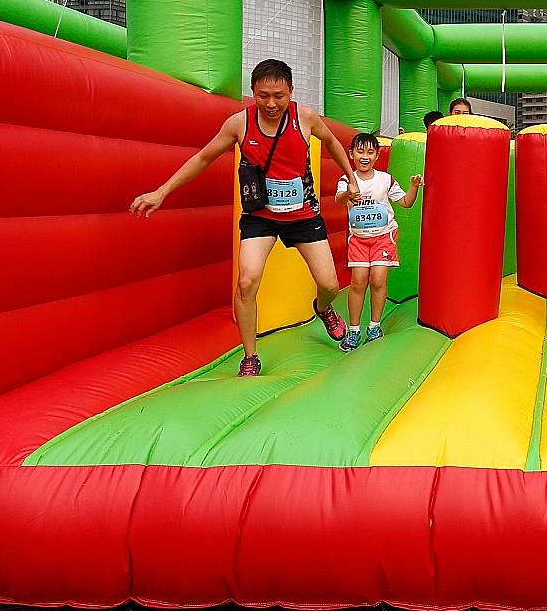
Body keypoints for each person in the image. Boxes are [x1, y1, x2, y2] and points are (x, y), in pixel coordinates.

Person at [131, 59, 359, 377]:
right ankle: (250, 355)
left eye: (278, 95)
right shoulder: (239, 124)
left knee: (329, 284)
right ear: (253, 92)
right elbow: (203, 157)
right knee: (246, 281)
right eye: (263, 95)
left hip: (303, 215)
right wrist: (162, 192)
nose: (271, 103)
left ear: (291, 92)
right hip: (260, 216)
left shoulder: (305, 118)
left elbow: (333, 143)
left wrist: (351, 179)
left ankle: (322, 308)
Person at [334, 134, 423, 350]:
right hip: (359, 239)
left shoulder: (385, 179)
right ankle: (354, 330)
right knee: (358, 282)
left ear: (377, 155)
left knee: (378, 279)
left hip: (384, 237)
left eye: (370, 152)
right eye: (360, 151)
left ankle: (374, 326)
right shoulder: (347, 179)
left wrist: (414, 187)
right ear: (351, 154)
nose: (365, 156)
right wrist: (348, 194)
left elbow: (406, 202)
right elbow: (338, 200)